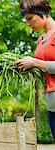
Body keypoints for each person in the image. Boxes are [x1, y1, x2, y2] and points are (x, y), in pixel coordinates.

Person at [15, 0, 55, 141]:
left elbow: (40, 63)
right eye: (25, 20)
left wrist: (35, 62)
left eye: (30, 18)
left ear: (43, 13)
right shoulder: (41, 39)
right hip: (51, 103)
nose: (28, 23)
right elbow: (41, 68)